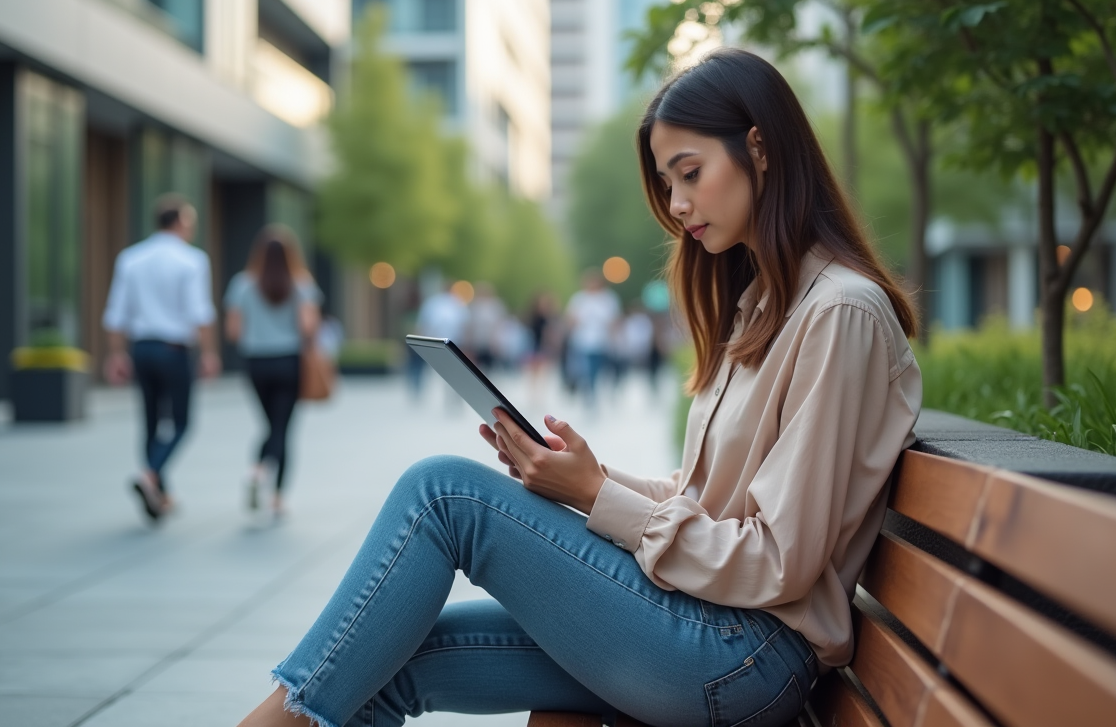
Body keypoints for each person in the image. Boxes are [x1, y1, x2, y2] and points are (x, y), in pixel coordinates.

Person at [236, 48, 922, 727]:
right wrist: (587, 477)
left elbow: (781, 561)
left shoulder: (839, 315)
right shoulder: (767, 306)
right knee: (389, 659)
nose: (678, 205)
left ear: (760, 148)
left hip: (742, 657)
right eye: (667, 183)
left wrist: (596, 499)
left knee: (444, 494)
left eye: (690, 173)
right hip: (705, 628)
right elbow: (705, 500)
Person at [102, 194, 220, 522]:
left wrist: (115, 355)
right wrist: (209, 353)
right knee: (182, 422)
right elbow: (200, 312)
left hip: (141, 348)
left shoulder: (131, 258)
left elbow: (116, 313)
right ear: (181, 220)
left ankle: (159, 493)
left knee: (151, 422)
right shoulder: (192, 260)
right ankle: (151, 474)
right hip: (173, 349)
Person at [225, 226, 322, 517]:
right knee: (282, 427)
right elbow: (309, 327)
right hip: (289, 361)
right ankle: (277, 495)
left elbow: (233, 331)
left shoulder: (242, 285)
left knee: (270, 425)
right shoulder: (302, 284)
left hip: (256, 363)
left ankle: (257, 471)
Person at [564, 270, 622, 406]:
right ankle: (589, 395)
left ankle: (596, 392)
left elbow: (615, 321)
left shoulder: (608, 299)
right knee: (586, 370)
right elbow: (570, 319)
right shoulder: (579, 299)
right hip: (583, 342)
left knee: (600, 371)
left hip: (601, 343)